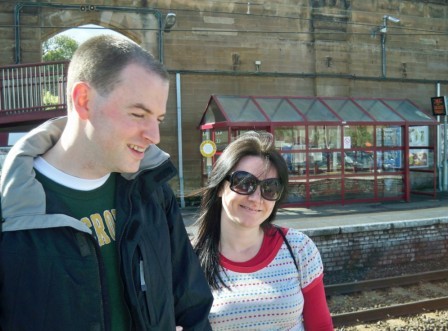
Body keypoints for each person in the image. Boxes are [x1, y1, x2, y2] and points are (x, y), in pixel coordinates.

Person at [0, 35, 213, 331]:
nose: (154, 135)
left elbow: (191, 303)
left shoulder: (152, 191)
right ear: (83, 100)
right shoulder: (10, 214)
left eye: (159, 119)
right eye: (138, 114)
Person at [193, 131, 333, 330]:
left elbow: (321, 325)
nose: (256, 198)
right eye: (244, 183)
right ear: (220, 187)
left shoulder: (298, 249)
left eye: (270, 188)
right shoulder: (190, 258)